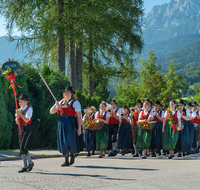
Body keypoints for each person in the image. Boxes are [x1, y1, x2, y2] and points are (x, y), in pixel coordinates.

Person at [50, 86, 83, 166]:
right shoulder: (61, 102)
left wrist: (79, 128)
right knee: (63, 141)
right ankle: (66, 161)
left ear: (71, 93)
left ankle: (72, 155)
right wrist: (55, 105)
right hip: (62, 123)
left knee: (70, 140)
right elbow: (51, 112)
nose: (66, 94)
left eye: (68, 92)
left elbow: (79, 116)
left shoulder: (75, 103)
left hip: (71, 123)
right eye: (65, 92)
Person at [15, 94, 34, 173]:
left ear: (26, 101)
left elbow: (26, 120)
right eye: (19, 101)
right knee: (21, 149)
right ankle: (25, 166)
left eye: (21, 101)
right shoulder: (19, 109)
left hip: (27, 129)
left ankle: (30, 162)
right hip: (20, 129)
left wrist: (20, 114)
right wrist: (17, 116)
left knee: (23, 147)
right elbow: (17, 122)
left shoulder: (29, 109)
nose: (19, 102)